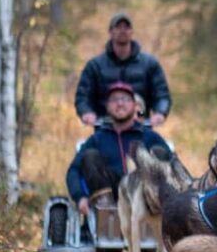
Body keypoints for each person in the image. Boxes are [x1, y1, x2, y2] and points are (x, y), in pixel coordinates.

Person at [67, 82, 172, 215]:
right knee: (90, 156)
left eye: (125, 99)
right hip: (110, 197)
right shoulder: (97, 139)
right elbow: (73, 171)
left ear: (134, 105)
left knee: (160, 152)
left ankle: (155, 205)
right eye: (114, 100)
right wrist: (80, 197)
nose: (120, 103)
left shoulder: (150, 137)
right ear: (107, 107)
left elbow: (174, 165)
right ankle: (105, 208)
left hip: (145, 196)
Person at [74, 12, 172, 127]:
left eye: (126, 27)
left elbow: (162, 95)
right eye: (118, 27)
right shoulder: (95, 66)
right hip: (105, 127)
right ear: (110, 32)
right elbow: (83, 96)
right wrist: (86, 112)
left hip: (140, 125)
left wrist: (160, 112)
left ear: (132, 32)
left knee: (158, 140)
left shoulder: (150, 64)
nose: (122, 30)